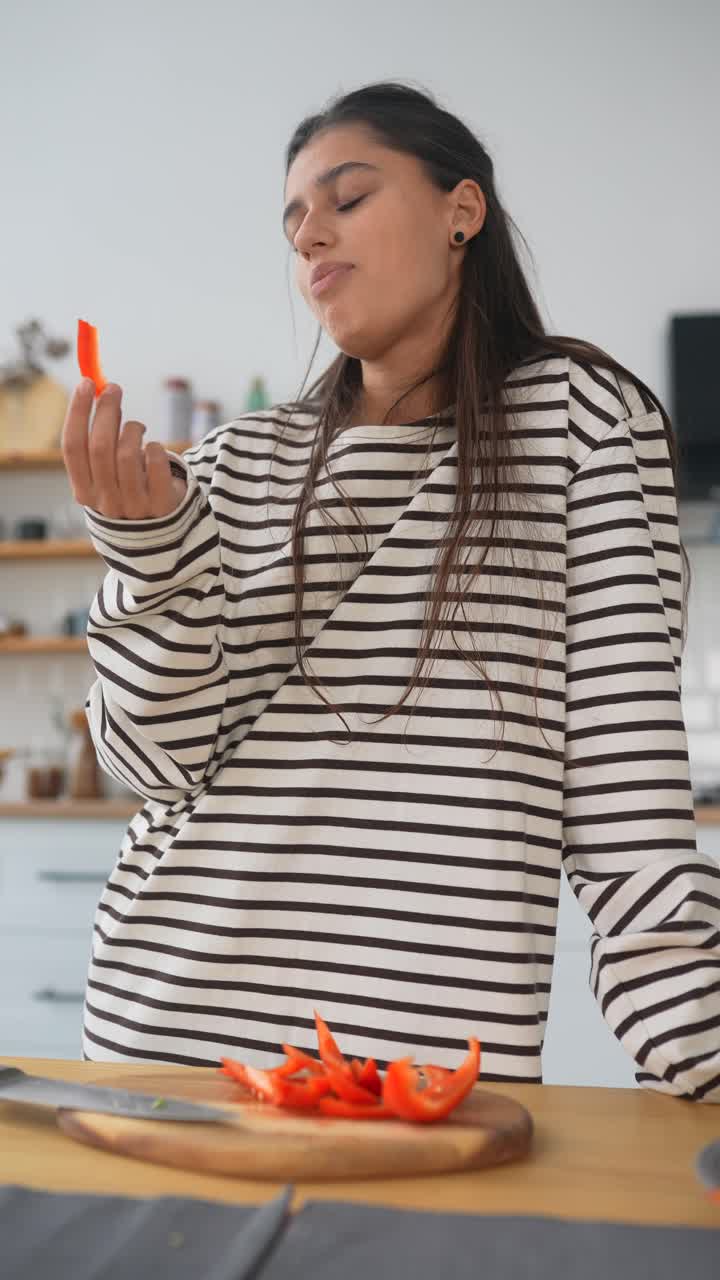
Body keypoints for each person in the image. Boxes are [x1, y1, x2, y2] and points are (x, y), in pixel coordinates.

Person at [62, 81, 719, 1101]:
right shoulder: (236, 462)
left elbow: (629, 804)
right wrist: (148, 553)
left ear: (463, 210)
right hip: (168, 1031)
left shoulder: (581, 423)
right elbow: (153, 758)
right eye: (292, 222)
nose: (310, 237)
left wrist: (700, 1052)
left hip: (420, 1073)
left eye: (348, 197)